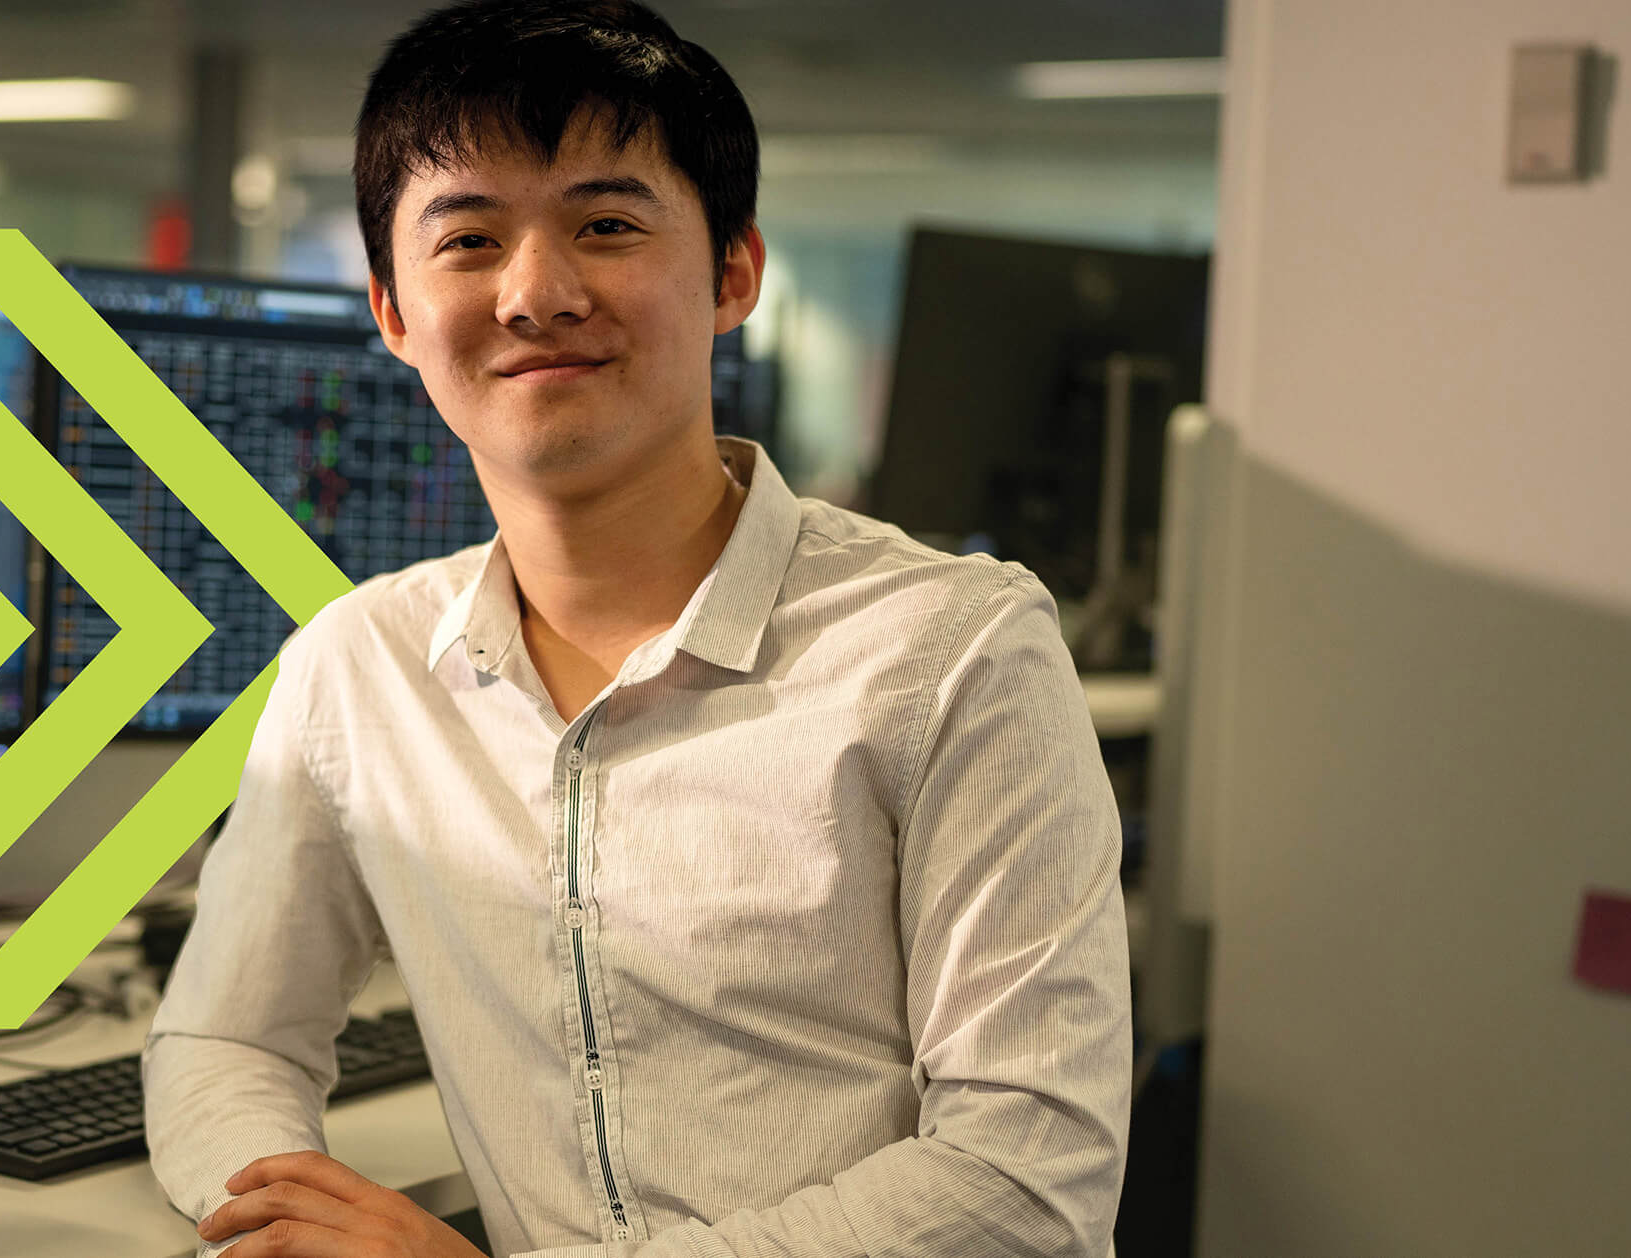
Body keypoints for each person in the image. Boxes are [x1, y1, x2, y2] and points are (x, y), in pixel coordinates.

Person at [142, 3, 1133, 1255]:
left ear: (733, 275)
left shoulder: (955, 651)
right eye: (469, 240)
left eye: (607, 226)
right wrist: (287, 1202)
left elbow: (1026, 1185)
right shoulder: (360, 667)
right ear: (391, 313)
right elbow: (225, 1035)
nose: (536, 294)